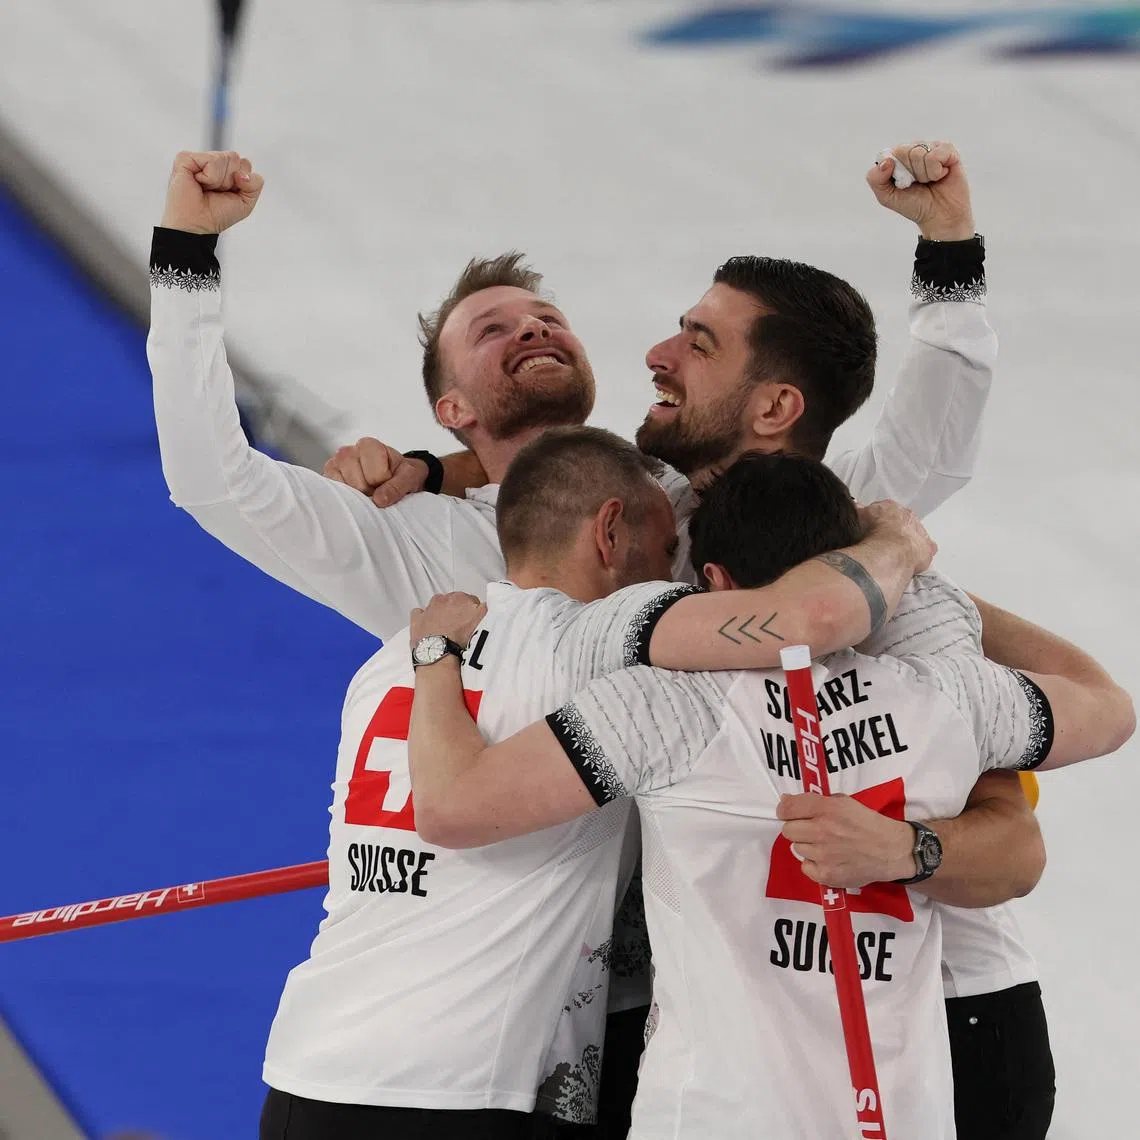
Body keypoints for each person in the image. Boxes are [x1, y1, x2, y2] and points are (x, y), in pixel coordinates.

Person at [147, 142, 1028, 1134]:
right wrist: (189, 258)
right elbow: (214, 480)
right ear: (453, 406)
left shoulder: (691, 503)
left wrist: (949, 256)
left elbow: (923, 446)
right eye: (493, 329)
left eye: (547, 318)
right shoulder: (414, 547)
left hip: (713, 995)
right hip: (550, 1027)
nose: (530, 328)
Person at [404, 451, 1134, 1140]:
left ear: (713, 580)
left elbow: (453, 806)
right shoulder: (948, 695)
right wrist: (914, 579)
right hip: (899, 1116)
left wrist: (435, 656)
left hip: (713, 1117)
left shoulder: (662, 707)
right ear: (855, 575)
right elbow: (1108, 709)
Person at [256, 427, 934, 1138]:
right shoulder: (596, 637)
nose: (680, 567)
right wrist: (894, 544)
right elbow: (807, 621)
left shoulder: (398, 655)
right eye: (667, 540)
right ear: (610, 532)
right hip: (466, 1090)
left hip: (310, 1072)